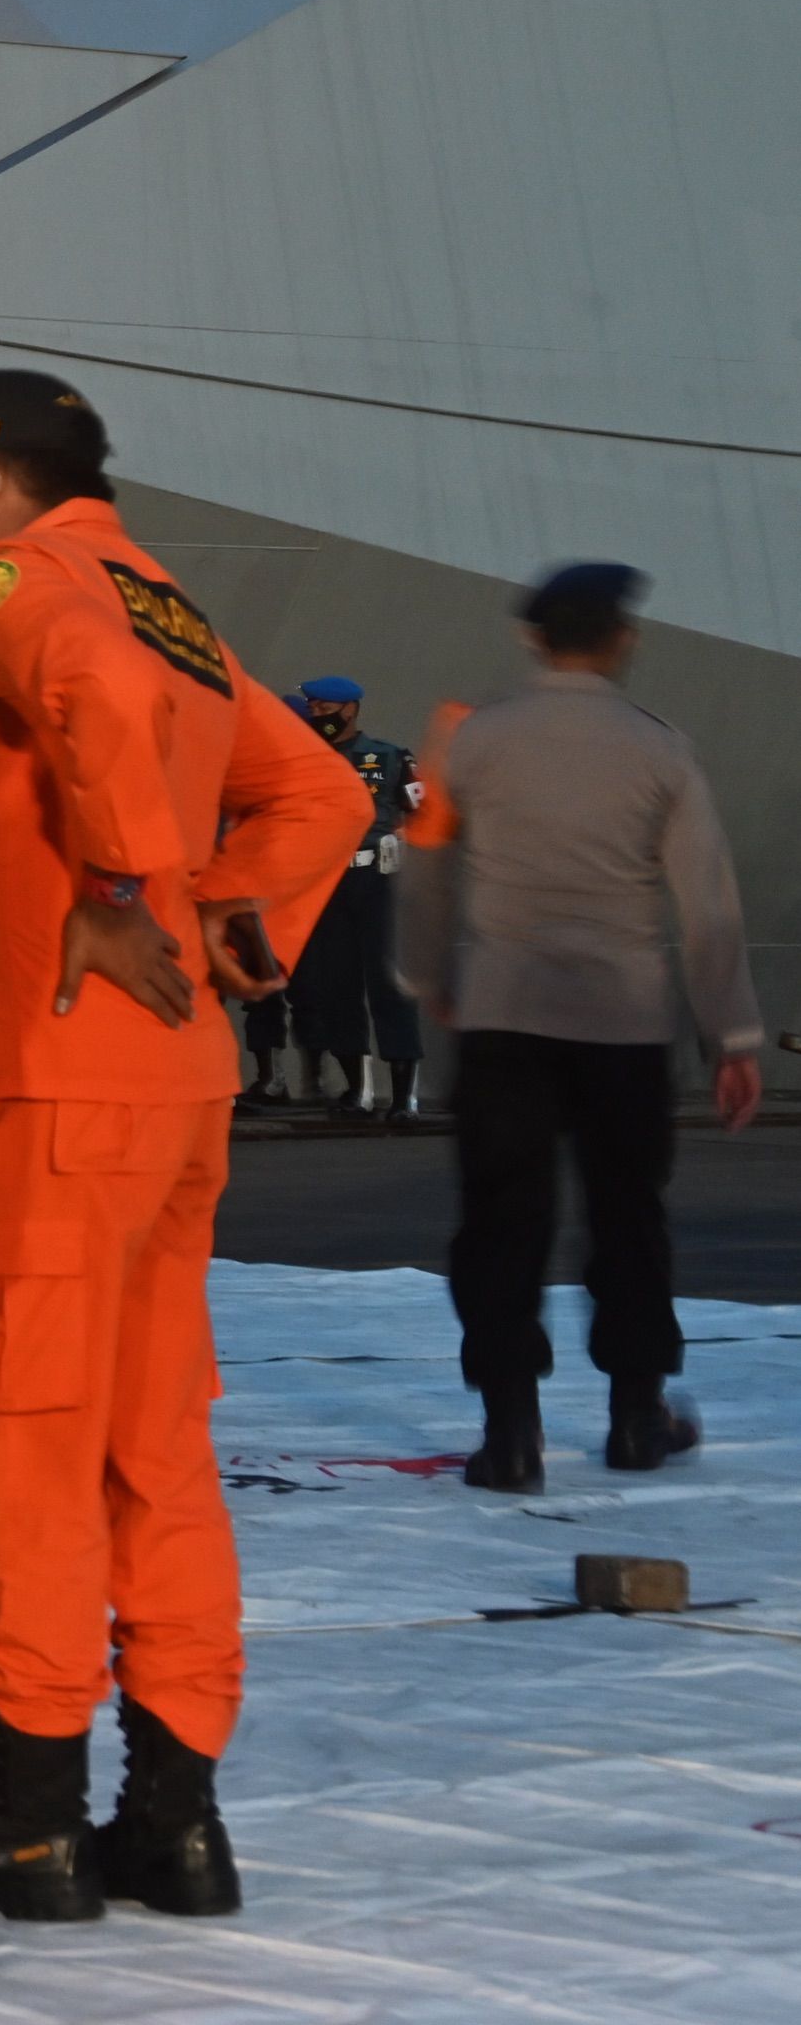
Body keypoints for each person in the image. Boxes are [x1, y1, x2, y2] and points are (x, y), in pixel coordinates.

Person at [0, 370, 365, 1926]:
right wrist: (220, 922)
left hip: (42, 1083)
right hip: (173, 1088)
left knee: (17, 1436)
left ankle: (25, 1813)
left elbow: (82, 689)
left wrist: (114, 886)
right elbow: (319, 788)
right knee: (152, 1450)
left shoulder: (28, 576)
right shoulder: (162, 590)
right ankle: (173, 1813)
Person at [397, 561, 767, 1488]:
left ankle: (511, 1433)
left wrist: (430, 973)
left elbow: (428, 864)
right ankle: (637, 1419)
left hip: (504, 1017)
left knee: (501, 1224)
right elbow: (707, 906)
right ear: (622, 641)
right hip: (625, 1024)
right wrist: (734, 1038)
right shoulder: (663, 749)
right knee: (630, 1220)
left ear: (532, 639)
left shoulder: (470, 740)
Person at [289, 679, 425, 1117]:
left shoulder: (388, 756)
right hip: (327, 881)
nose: (317, 714)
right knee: (337, 986)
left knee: (389, 985)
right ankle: (358, 1089)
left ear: (350, 709)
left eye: (325, 706)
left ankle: (405, 1095)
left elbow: (423, 811)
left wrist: (405, 848)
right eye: (312, 707)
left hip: (378, 879)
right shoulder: (302, 760)